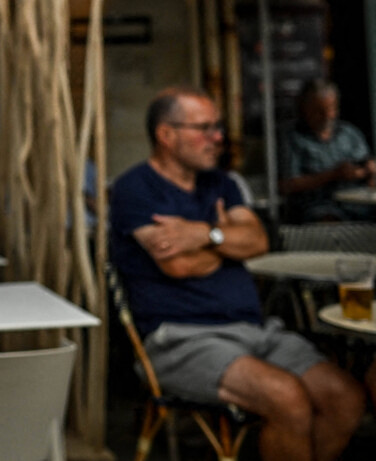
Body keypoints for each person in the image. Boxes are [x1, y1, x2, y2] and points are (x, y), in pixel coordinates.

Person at [110, 86, 365, 461]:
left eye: (218, 126)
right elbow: (178, 264)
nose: (218, 137)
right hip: (181, 339)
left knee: (345, 398)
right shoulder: (135, 189)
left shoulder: (222, 183)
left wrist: (204, 234)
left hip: (256, 330)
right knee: (286, 398)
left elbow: (259, 241)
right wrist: (228, 244)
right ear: (166, 135)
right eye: (204, 128)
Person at [283, 79, 376, 222]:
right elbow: (287, 184)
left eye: (331, 108)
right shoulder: (293, 138)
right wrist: (333, 175)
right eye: (319, 111)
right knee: (329, 222)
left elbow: (365, 161)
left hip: (358, 203)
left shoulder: (349, 133)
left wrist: (370, 170)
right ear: (305, 108)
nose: (328, 116)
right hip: (317, 205)